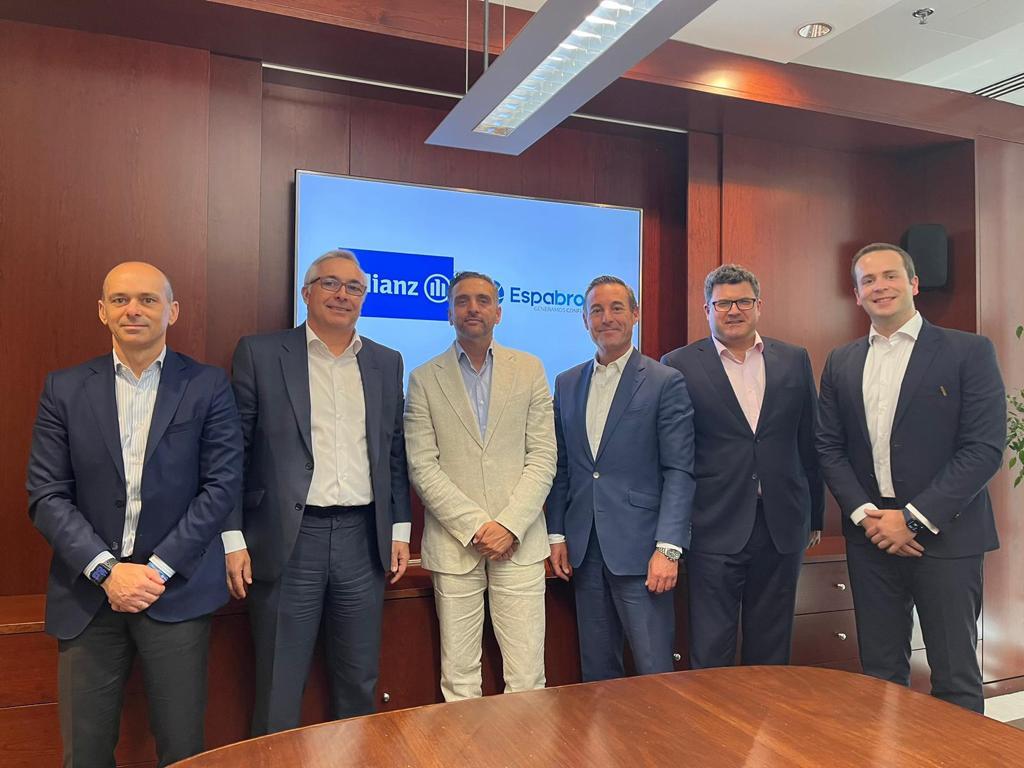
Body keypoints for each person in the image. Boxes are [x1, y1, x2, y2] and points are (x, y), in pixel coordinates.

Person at [27, 262, 242, 767]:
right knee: (84, 754)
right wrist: (106, 571)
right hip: (88, 594)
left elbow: (221, 485)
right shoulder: (64, 388)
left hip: (176, 590)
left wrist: (156, 570)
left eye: (147, 299)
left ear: (172, 311)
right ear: (102, 312)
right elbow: (46, 493)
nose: (133, 310)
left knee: (183, 750)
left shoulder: (207, 385)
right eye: (120, 300)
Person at [225, 249, 411, 734]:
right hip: (288, 540)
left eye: (353, 287)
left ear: (364, 298)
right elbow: (233, 452)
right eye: (330, 283)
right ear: (306, 293)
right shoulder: (261, 354)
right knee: (278, 685)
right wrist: (233, 537)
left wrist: (399, 529)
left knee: (358, 681)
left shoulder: (386, 362)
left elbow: (393, 451)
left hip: (362, 541)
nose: (342, 294)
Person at [817, 242, 1005, 713]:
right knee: (880, 677)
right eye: (868, 280)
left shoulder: (969, 351)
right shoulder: (841, 361)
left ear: (914, 284)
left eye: (890, 276)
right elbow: (829, 447)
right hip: (871, 538)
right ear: (856, 294)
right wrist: (868, 518)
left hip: (947, 537)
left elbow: (983, 449)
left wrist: (913, 519)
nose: (880, 286)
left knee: (955, 677)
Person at [660, 264, 823, 669]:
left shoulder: (794, 359)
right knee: (711, 646)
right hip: (713, 523)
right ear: (707, 309)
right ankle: (713, 715)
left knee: (772, 647)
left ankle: (765, 713)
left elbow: (810, 440)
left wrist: (815, 517)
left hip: (782, 523)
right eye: (723, 303)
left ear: (759, 305)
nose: (734, 310)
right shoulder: (678, 364)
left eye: (743, 302)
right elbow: (674, 454)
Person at [404, 271, 556, 701]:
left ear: (498, 312)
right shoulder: (423, 378)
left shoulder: (530, 369)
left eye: (483, 300)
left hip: (519, 543)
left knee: (527, 678)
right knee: (460, 680)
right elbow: (422, 465)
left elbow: (543, 456)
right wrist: (475, 526)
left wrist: (508, 525)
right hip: (455, 545)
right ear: (449, 313)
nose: (473, 308)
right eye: (462, 300)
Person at [546, 275, 694, 681]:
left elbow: (679, 471)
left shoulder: (664, 381)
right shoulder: (567, 382)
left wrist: (669, 549)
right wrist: (557, 535)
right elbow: (562, 467)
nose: (606, 318)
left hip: (644, 552)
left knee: (654, 670)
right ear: (585, 320)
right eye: (596, 310)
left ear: (635, 314)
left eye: (616, 308)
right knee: (597, 674)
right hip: (584, 551)